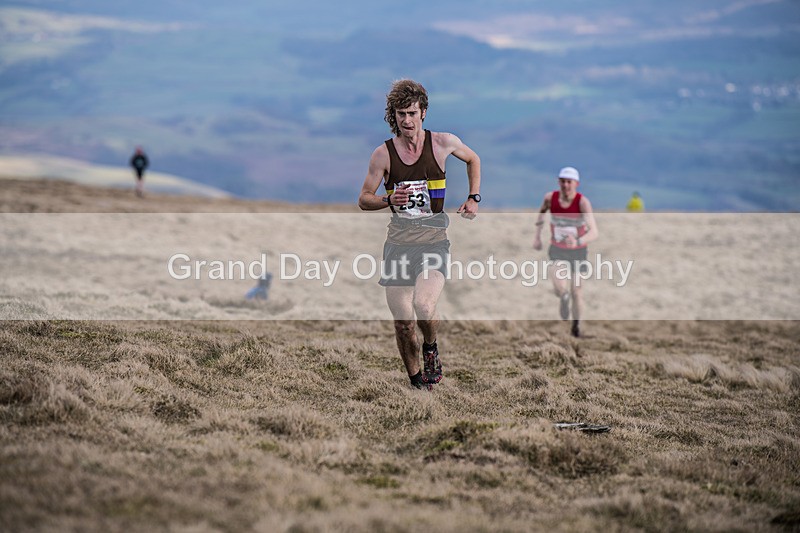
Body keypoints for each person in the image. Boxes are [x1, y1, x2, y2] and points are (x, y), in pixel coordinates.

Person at [358, 79, 481, 390]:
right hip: (398, 245)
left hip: (433, 241)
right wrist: (388, 200)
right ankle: (417, 386)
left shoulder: (442, 143)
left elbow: (473, 159)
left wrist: (473, 197)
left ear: (423, 112)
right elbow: (363, 198)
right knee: (402, 324)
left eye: (412, 113)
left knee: (424, 306)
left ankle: (431, 347)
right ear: (393, 117)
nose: (407, 120)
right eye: (400, 114)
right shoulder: (383, 155)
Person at [533, 166, 598, 338]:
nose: (566, 185)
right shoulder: (550, 198)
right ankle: (563, 297)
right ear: (558, 182)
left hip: (578, 252)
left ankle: (576, 326)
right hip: (557, 249)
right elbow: (541, 215)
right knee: (559, 287)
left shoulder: (582, 202)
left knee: (577, 291)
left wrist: (577, 241)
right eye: (563, 181)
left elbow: (594, 232)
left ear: (576, 183)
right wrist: (537, 237)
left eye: (569, 182)